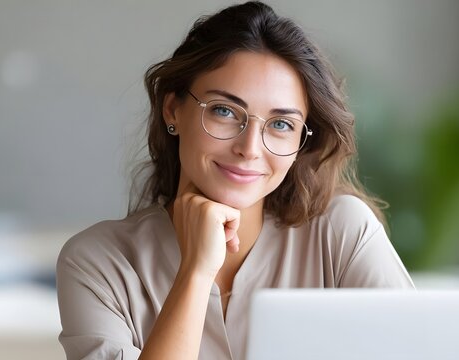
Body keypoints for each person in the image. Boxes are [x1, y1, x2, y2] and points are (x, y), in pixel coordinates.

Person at [56, 2, 414, 359]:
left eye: (280, 125)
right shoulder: (98, 263)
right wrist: (195, 273)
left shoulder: (341, 234)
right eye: (224, 111)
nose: (250, 148)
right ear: (172, 110)